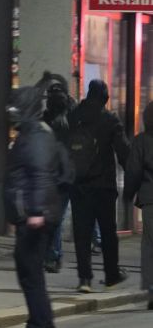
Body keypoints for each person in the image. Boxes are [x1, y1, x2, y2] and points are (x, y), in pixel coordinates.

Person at [3, 86, 63, 328]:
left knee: (30, 274)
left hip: (34, 215)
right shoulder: (33, 133)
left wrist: (36, 212)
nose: (12, 113)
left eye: (16, 108)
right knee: (32, 273)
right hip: (33, 213)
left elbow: (39, 175)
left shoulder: (36, 136)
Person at [67, 79, 130, 293]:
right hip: (103, 186)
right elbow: (123, 152)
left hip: (79, 185)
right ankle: (111, 273)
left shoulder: (74, 116)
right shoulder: (110, 120)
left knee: (82, 233)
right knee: (108, 232)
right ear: (105, 97)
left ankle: (84, 278)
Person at [39, 73, 76, 273]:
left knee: (54, 218)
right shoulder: (74, 114)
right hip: (63, 174)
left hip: (60, 174)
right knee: (56, 218)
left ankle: (53, 256)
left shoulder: (56, 117)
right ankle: (53, 256)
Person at [122, 101, 153, 311]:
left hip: (151, 199)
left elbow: (133, 171)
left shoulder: (142, 141)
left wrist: (128, 194)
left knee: (150, 246)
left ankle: (152, 289)